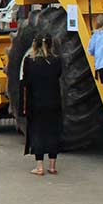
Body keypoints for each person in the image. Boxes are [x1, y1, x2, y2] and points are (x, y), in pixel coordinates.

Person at [22, 34, 62, 176]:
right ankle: (52, 165)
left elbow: (25, 82)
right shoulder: (56, 61)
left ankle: (39, 167)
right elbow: (58, 75)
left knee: (37, 132)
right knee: (52, 131)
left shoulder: (29, 62)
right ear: (51, 45)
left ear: (34, 45)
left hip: (36, 102)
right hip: (54, 101)